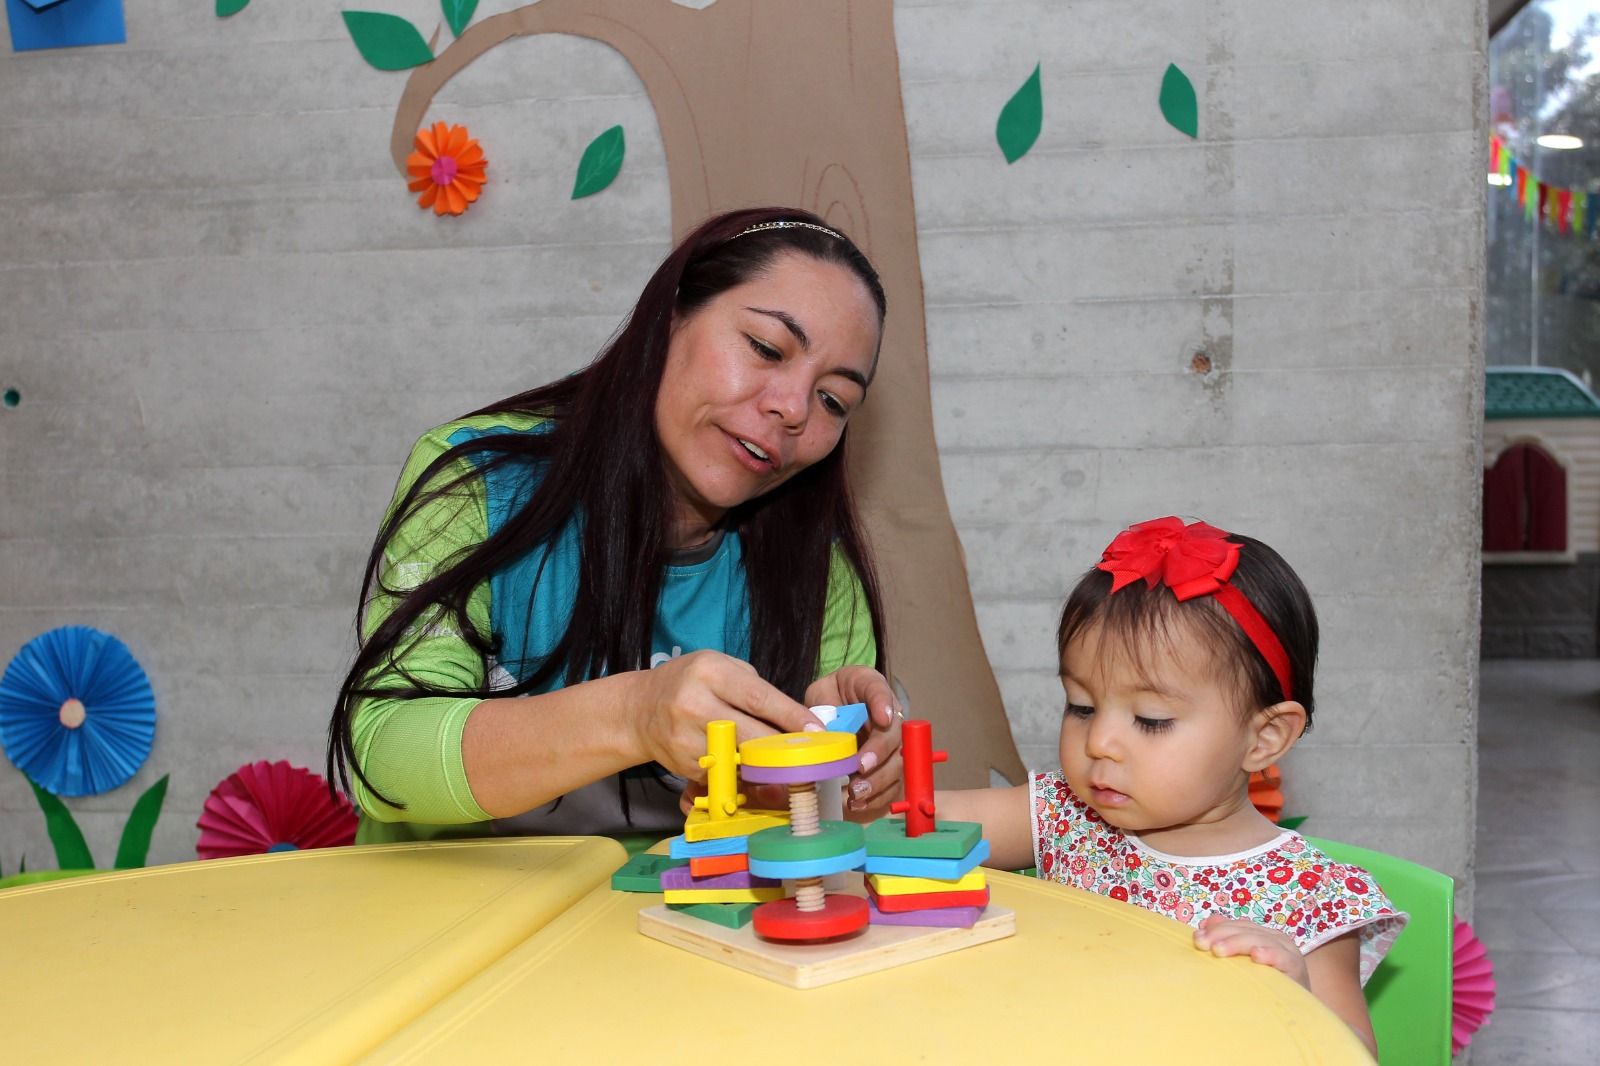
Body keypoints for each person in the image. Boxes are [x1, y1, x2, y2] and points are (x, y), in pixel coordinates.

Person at [327, 207, 905, 845]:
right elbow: (380, 757)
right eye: (766, 348)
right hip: (455, 926)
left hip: (679, 932)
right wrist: (636, 714)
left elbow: (812, 843)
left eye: (833, 400)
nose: (791, 408)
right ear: (669, 316)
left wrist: (837, 767)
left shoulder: (816, 564)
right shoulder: (478, 485)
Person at [938, 516, 1405, 1057]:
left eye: (1152, 719)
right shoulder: (1068, 817)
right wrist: (855, 777)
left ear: (1264, 737)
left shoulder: (1311, 901)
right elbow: (921, 824)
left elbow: (1352, 1055)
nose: (1101, 742)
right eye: (1082, 706)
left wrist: (1293, 990)